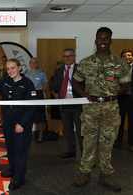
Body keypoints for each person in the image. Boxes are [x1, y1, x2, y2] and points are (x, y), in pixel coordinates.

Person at [73, 27, 130, 191]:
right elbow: (76, 82)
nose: (103, 41)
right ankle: (85, 173)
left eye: (106, 38)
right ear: (96, 40)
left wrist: (110, 96)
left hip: (111, 109)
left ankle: (106, 174)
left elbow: (125, 86)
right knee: (89, 141)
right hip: (90, 109)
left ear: (110, 40)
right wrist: (84, 93)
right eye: (100, 38)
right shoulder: (86, 62)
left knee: (107, 143)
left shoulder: (119, 63)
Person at [0, 58, 36, 190]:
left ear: (19, 68)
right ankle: (12, 169)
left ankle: (19, 178)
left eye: (13, 68)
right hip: (8, 120)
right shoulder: (5, 82)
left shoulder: (28, 84)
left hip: (21, 121)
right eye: (8, 69)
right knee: (11, 147)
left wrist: (23, 123)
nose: (10, 71)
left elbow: (31, 107)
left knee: (20, 150)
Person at [53, 48, 84, 158]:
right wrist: (57, 94)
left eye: (69, 56)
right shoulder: (58, 70)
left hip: (77, 105)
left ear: (74, 57)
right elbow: (55, 85)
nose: (67, 58)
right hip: (64, 105)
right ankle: (71, 151)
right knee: (68, 130)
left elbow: (85, 84)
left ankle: (85, 155)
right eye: (65, 56)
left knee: (81, 132)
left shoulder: (80, 69)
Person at [113, 49, 133, 152]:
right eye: (124, 56)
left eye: (129, 55)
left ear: (132, 57)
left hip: (132, 98)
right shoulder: (118, 68)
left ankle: (131, 143)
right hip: (121, 97)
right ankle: (118, 140)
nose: (127, 57)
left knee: (132, 121)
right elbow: (110, 78)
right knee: (119, 121)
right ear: (122, 58)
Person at [25, 57, 48, 143]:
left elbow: (45, 86)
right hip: (29, 96)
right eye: (32, 62)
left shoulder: (41, 73)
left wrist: (39, 92)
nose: (33, 64)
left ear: (37, 64)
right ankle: (29, 135)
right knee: (29, 116)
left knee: (40, 117)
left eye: (35, 62)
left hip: (39, 95)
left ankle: (40, 137)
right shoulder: (26, 74)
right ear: (30, 64)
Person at [49, 61, 63, 137]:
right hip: (54, 97)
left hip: (62, 97)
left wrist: (59, 95)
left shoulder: (64, 78)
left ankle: (61, 129)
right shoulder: (53, 77)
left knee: (61, 115)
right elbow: (51, 87)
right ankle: (55, 130)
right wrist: (54, 94)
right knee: (54, 115)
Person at [0, 55, 8, 126]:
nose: (4, 62)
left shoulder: (10, 70)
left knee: (9, 108)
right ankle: (3, 122)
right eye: (3, 60)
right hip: (1, 93)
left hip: (9, 93)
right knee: (2, 109)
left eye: (5, 60)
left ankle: (8, 122)